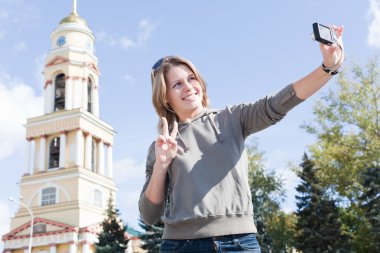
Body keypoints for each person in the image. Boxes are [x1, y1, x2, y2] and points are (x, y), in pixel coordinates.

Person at [139, 25, 345, 253]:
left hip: (239, 244)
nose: (189, 87)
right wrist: (161, 164)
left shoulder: (231, 118)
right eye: (177, 84)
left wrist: (327, 68)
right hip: (181, 246)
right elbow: (149, 215)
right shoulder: (161, 145)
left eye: (191, 78)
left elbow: (278, 103)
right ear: (164, 97)